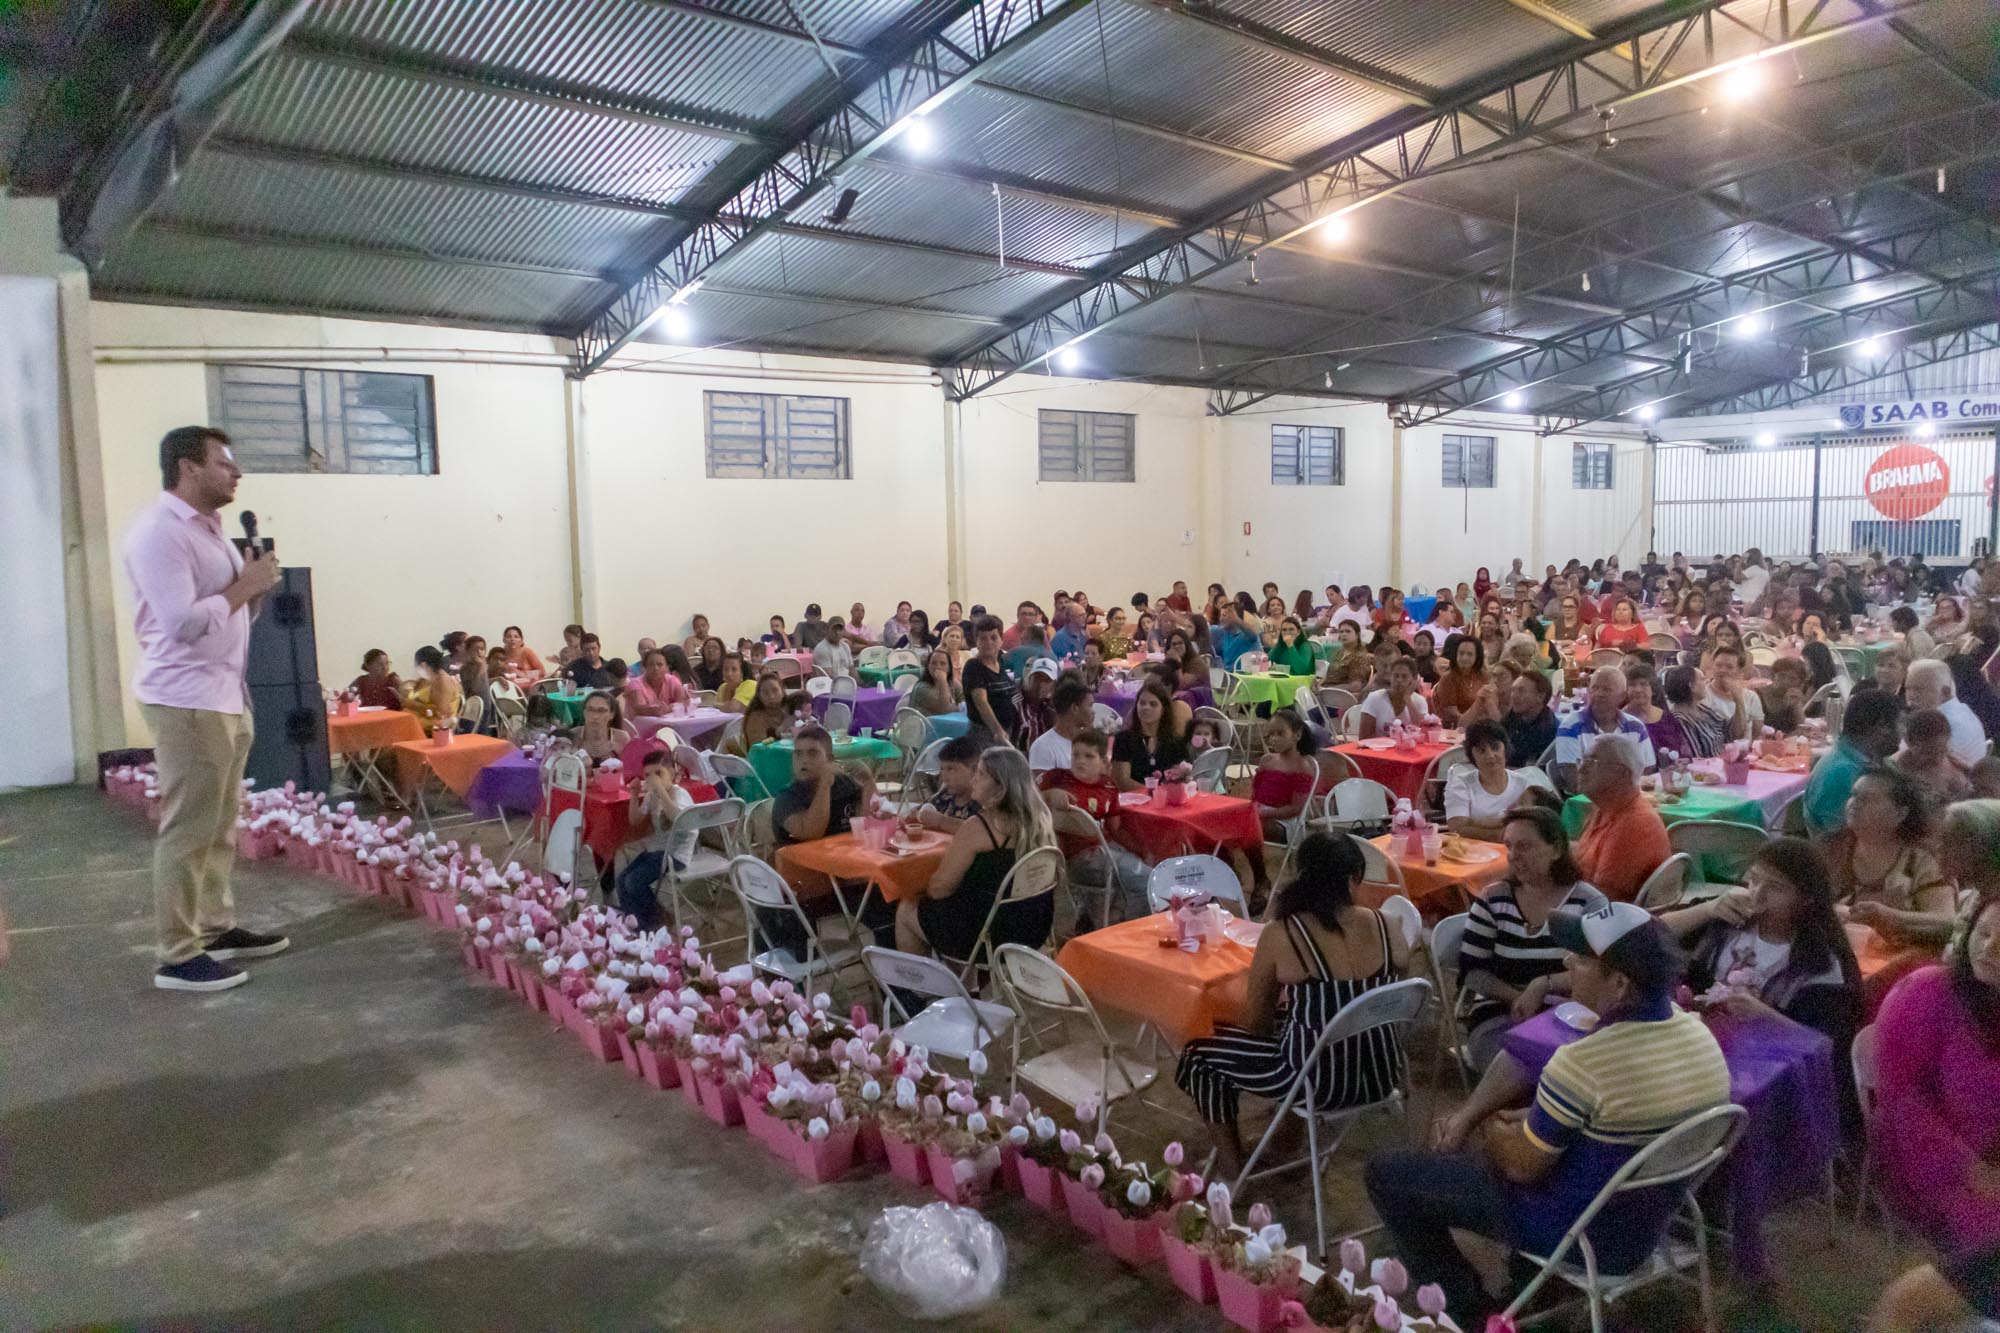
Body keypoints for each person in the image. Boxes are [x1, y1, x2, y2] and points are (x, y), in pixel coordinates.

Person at [1370, 902, 1728, 1323]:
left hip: (1578, 1233)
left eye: (1581, 959)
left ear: (1618, 984)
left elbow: (1522, 1168)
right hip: (1650, 1222)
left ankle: (1472, 1313)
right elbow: (1608, 1124)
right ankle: (1525, 1286)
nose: (1567, 962)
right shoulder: (1700, 1037)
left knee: (1387, 1174)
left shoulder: (1582, 1062)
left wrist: (1490, 1125)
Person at [121, 426, 289, 992]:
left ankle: (214, 927)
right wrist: (246, 586)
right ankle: (176, 954)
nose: (236, 473)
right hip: (186, 699)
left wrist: (252, 595)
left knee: (219, 826)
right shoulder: (159, 534)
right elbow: (182, 624)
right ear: (188, 468)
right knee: (189, 830)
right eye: (224, 463)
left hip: (224, 696)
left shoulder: (210, 530)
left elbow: (227, 616)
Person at [1176, 833, 1411, 1176]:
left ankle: (1232, 1167)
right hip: (1382, 1073)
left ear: (1304, 878)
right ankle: (1286, 1137)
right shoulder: (1388, 926)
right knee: (1301, 1024)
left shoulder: (1284, 933)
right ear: (1353, 879)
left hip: (1317, 1084)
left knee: (1199, 1055)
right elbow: (1396, 998)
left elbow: (1258, 1022)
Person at [1865, 896, 2000, 1333]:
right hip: (1928, 1161)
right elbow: (1902, 1101)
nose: (1990, 949)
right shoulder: (1926, 992)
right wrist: (1969, 1167)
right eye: (1983, 934)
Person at [1664, 839, 1862, 1051]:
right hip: (1705, 1046)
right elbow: (1650, 933)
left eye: (1776, 888)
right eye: (1754, 879)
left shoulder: (1823, 963)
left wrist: (1766, 1017)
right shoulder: (1730, 918)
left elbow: (1828, 1045)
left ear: (1807, 899)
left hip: (1771, 1062)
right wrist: (1707, 909)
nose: (1758, 894)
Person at [1454, 807, 1608, 1070]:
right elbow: (1472, 971)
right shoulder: (1493, 899)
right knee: (1513, 1066)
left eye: (1524, 846)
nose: (1513, 856)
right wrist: (1516, 997)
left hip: (1571, 1013)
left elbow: (1602, 971)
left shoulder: (1588, 903)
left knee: (1570, 1069)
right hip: (1501, 1012)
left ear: (1556, 850)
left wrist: (1543, 985)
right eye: (1509, 846)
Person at [896, 746, 1056, 961]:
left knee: (908, 906)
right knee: (961, 906)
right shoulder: (1040, 822)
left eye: (980, 774)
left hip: (985, 938)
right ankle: (965, 986)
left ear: (1000, 786)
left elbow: (939, 889)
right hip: (1032, 930)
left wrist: (921, 888)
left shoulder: (980, 827)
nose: (973, 779)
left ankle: (919, 992)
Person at [1824, 766, 1957, 946]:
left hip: (1904, 963)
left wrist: (1889, 916)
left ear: (1901, 814)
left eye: (1869, 798)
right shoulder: (1830, 847)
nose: (1855, 802)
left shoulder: (1923, 859)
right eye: (1854, 795)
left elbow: (1948, 923)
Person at [1571, 734, 1671, 904]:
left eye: (1592, 763)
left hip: (1611, 921)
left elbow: (1601, 901)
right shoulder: (1604, 808)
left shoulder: (1633, 825)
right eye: (1582, 761)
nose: (1581, 770)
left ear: (1623, 774)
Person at [1802, 687, 1903, 836]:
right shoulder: (1843, 773)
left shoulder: (1871, 760)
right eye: (1901, 723)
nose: (1903, 732)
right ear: (1881, 726)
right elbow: (1846, 843)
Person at [1553, 665, 1655, 790]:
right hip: (1588, 800)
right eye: (1595, 688)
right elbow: (1573, 778)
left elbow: (1647, 769)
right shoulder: (1571, 726)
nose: (1599, 694)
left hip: (1629, 797)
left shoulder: (1635, 727)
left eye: (1607, 689)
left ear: (1622, 696)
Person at [1445, 720, 1541, 840]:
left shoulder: (1525, 784)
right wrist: (1502, 835)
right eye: (1482, 750)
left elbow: (1533, 826)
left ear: (1505, 749)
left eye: (1495, 748)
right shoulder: (1460, 783)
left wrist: (1473, 824)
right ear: (1472, 755)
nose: (1490, 755)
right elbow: (1456, 828)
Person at [1252, 711, 1320, 847]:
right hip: (1259, 813)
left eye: (1280, 733)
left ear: (1297, 735)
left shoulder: (1302, 767)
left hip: (1284, 822)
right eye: (1270, 734)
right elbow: (1255, 794)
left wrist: (1264, 813)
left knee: (1251, 825)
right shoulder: (1266, 760)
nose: (1274, 739)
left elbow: (1295, 808)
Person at [1905, 658, 1987, 768]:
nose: (1911, 696)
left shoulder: (1942, 725)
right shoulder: (1963, 710)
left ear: (1945, 692)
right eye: (1907, 689)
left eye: (1918, 689)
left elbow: (1920, 767)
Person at [1112, 677, 1192, 789]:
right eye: (1142, 703)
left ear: (1163, 709)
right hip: (1133, 802)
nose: (1146, 708)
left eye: (1153, 704)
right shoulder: (1124, 739)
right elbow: (1123, 781)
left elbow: (1181, 778)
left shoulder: (1175, 742)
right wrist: (1155, 794)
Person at [1893, 708, 1975, 807]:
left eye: (1942, 751)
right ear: (1908, 743)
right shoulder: (1897, 771)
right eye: (1928, 753)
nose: (1936, 759)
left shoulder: (1956, 763)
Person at [961, 614, 1022, 747]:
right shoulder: (973, 666)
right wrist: (997, 730)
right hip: (986, 735)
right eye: (983, 638)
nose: (988, 642)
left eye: (993, 637)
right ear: (976, 642)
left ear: (1001, 640)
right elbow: (981, 702)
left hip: (1008, 731)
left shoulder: (1002, 663)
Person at [1659, 664, 1742, 759]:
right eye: (1702, 679)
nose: (1707, 682)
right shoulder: (1680, 720)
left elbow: (1732, 734)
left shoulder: (1702, 709)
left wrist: (1739, 701)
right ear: (1692, 686)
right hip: (1706, 770)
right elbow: (1696, 758)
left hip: (1722, 763)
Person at [917, 735, 984, 832]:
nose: (944, 778)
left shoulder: (983, 802)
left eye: (951, 769)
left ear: (974, 770)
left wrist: (941, 821)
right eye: (942, 769)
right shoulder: (945, 796)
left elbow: (980, 831)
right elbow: (917, 812)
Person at [1356, 657, 1429, 739]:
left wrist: (1407, 698)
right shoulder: (1374, 698)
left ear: (1414, 679)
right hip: (1379, 749)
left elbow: (1423, 733)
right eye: (1395, 676)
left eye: (1404, 676)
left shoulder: (1420, 701)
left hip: (1407, 749)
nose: (1399, 680)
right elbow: (1363, 737)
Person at [1499, 670, 1557, 769]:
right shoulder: (1513, 716)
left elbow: (1530, 770)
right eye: (1513, 690)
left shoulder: (1547, 729)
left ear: (1540, 696)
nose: (1514, 696)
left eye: (1521, 691)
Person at [402, 644, 463, 735]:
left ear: (423, 665)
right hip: (425, 720)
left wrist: (413, 705)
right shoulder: (430, 679)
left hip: (437, 727)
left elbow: (440, 713)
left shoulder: (443, 681)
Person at [1429, 633, 1486, 727]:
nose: (1464, 658)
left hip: (1481, 726)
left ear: (1477, 657)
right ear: (1455, 654)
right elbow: (1454, 716)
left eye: (1470, 654)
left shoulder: (1483, 676)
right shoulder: (1448, 678)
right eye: (1461, 653)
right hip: (1456, 729)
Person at [625, 648, 693, 720]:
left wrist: (667, 708)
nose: (655, 668)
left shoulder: (673, 680)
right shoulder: (635, 683)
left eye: (660, 664)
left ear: (667, 667)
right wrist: (657, 710)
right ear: (645, 667)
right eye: (651, 664)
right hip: (640, 727)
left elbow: (683, 702)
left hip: (668, 726)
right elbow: (640, 708)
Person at [568, 691, 633, 763]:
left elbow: (629, 769)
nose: (595, 716)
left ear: (612, 715)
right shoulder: (572, 736)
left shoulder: (621, 738)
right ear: (584, 712)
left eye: (601, 711)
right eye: (590, 710)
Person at [737, 672, 793, 752]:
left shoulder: (791, 711)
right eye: (765, 693)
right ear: (759, 696)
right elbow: (759, 749)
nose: (771, 696)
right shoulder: (756, 718)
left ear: (783, 691)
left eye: (775, 690)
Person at [908, 647, 961, 717]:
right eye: (933, 663)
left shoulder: (953, 683)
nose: (938, 667)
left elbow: (965, 701)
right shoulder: (921, 687)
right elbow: (944, 710)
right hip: (923, 726)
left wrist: (961, 706)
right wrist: (942, 681)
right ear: (928, 666)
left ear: (949, 668)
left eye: (943, 663)